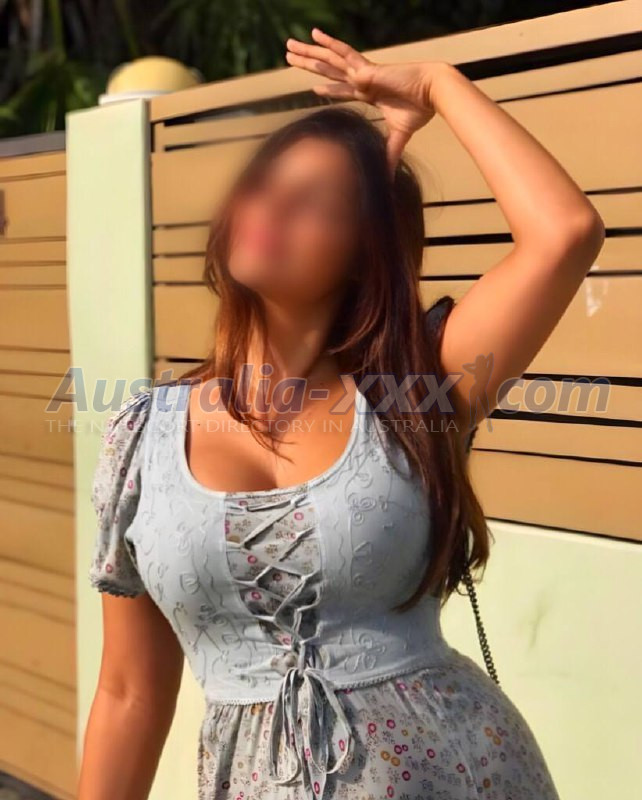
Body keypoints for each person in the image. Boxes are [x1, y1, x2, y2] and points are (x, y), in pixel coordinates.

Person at [78, 29, 604, 800]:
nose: (273, 205)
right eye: (264, 183)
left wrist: (438, 84)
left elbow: (565, 232)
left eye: (315, 201)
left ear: (363, 252)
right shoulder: (143, 437)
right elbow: (128, 693)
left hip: (462, 774)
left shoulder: (419, 388)